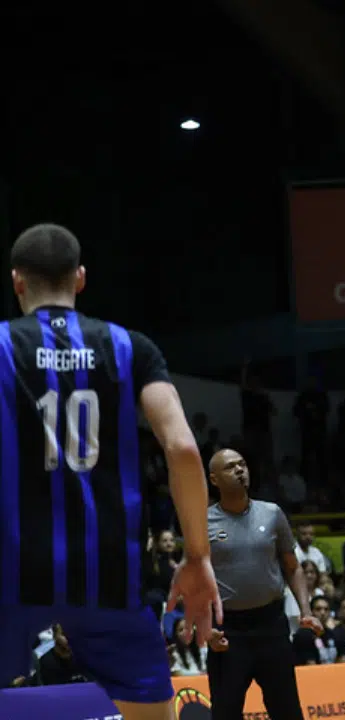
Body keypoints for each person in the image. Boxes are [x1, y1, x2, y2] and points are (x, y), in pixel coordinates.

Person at [0, 224, 221, 720]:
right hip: (109, 577)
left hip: (14, 569)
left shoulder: (1, 346)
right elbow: (183, 447)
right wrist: (197, 555)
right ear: (80, 278)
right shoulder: (129, 347)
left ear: (17, 281)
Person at [205, 448, 322, 720]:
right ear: (214, 479)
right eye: (230, 467)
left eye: (242, 464)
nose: (239, 470)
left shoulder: (272, 513)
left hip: (272, 626)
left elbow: (292, 567)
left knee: (288, 712)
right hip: (228, 631)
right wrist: (206, 628)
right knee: (225, 713)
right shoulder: (202, 522)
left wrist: (306, 611)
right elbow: (195, 581)